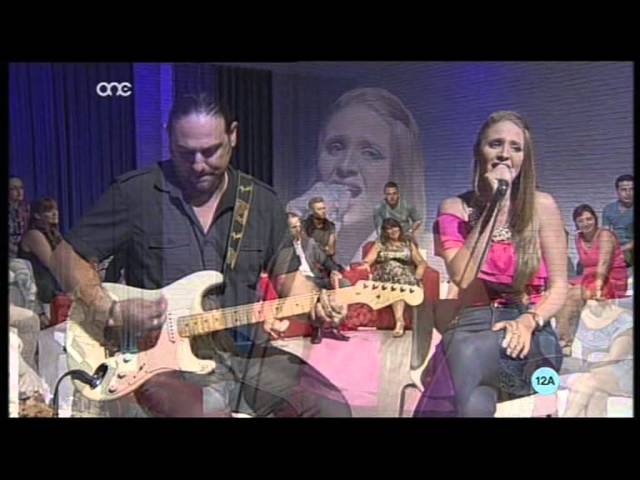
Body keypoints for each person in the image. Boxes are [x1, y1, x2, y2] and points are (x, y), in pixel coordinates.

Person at [50, 93, 352, 417]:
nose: (198, 165)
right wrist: (110, 310)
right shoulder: (135, 193)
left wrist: (319, 305)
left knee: (332, 408)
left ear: (232, 135)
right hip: (161, 363)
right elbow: (65, 257)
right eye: (185, 153)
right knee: (206, 412)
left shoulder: (261, 202)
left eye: (210, 151)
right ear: (169, 138)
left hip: (244, 354)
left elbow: (290, 281)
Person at [415, 111, 567, 417]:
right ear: (479, 152)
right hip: (471, 325)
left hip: (530, 329)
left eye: (515, 147)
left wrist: (528, 322)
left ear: (525, 159)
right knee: (471, 388)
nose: (505, 154)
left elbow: (560, 287)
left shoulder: (542, 206)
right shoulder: (455, 208)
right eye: (495, 144)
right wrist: (496, 204)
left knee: (461, 360)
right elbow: (462, 276)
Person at [286, 87, 427, 266]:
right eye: (336, 147)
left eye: (370, 153)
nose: (346, 166)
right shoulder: (293, 241)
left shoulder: (423, 254)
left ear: (397, 172)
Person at [555, 204, 628, 356]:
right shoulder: (578, 238)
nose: (586, 223)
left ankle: (564, 342)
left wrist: (598, 288)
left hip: (610, 279)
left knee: (573, 296)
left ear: (595, 219)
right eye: (581, 221)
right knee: (560, 291)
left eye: (589, 219)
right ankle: (560, 336)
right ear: (576, 223)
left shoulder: (605, 236)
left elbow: (604, 264)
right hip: (588, 278)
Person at [287, 212, 350, 344]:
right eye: (293, 227)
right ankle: (317, 329)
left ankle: (336, 326)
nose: (298, 229)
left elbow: (326, 260)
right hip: (299, 282)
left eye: (299, 226)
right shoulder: (283, 248)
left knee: (344, 284)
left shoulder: (308, 243)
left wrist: (334, 271)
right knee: (315, 292)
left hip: (316, 277)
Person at [563, 299, 632, 417]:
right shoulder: (578, 315)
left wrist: (585, 369)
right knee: (596, 394)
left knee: (585, 382)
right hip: (593, 371)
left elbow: (615, 357)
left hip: (621, 372)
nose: (596, 294)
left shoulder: (625, 318)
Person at [360, 218, 427, 337]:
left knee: (398, 282)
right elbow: (367, 261)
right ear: (385, 232)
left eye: (395, 227)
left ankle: (400, 322)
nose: (393, 231)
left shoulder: (408, 243)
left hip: (404, 277)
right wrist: (365, 268)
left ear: (399, 228)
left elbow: (421, 262)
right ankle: (400, 321)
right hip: (384, 275)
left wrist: (418, 277)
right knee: (393, 267)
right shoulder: (380, 244)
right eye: (389, 229)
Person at [19, 197, 64, 311]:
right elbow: (52, 263)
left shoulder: (55, 234)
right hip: (40, 286)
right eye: (49, 211)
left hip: (52, 283)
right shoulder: (34, 235)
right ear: (37, 215)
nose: (54, 213)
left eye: (55, 209)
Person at [602, 174, 633, 267]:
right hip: (614, 249)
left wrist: (620, 250)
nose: (628, 193)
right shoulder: (608, 209)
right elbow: (606, 233)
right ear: (617, 191)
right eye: (624, 190)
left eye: (632, 189)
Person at [302, 196, 341, 270]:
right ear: (312, 210)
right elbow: (305, 246)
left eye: (324, 208)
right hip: (308, 263)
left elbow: (331, 250)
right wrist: (323, 248)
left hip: (326, 263)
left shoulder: (330, 226)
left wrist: (320, 248)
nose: (323, 211)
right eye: (319, 209)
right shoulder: (304, 225)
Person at [9, 176, 30, 258]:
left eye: (21, 188)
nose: (19, 191)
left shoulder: (27, 209)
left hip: (25, 251)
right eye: (14, 188)